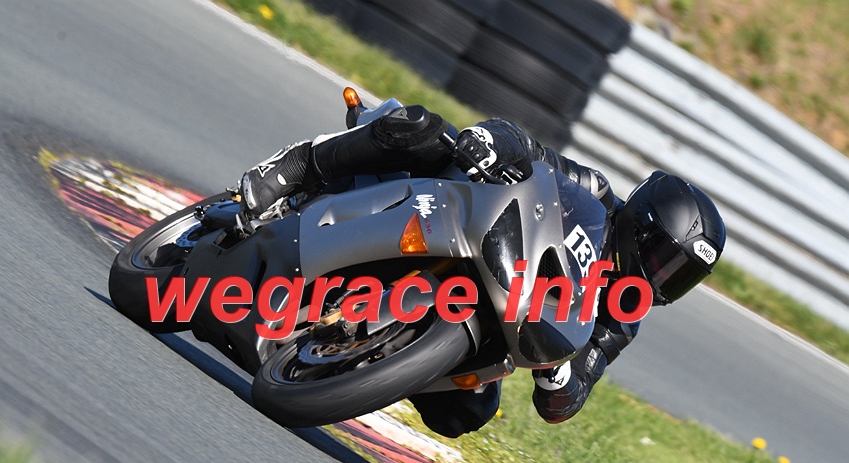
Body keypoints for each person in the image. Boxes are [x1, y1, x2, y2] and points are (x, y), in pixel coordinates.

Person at [237, 104, 726, 438]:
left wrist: (558, 375)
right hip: (461, 218)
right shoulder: (592, 191)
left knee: (469, 410)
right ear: (640, 225)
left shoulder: (622, 314)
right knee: (422, 129)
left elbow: (568, 399)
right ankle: (296, 167)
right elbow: (529, 149)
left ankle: (367, 359)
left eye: (678, 276)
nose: (661, 278)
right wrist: (490, 142)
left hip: (495, 309)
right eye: (664, 260)